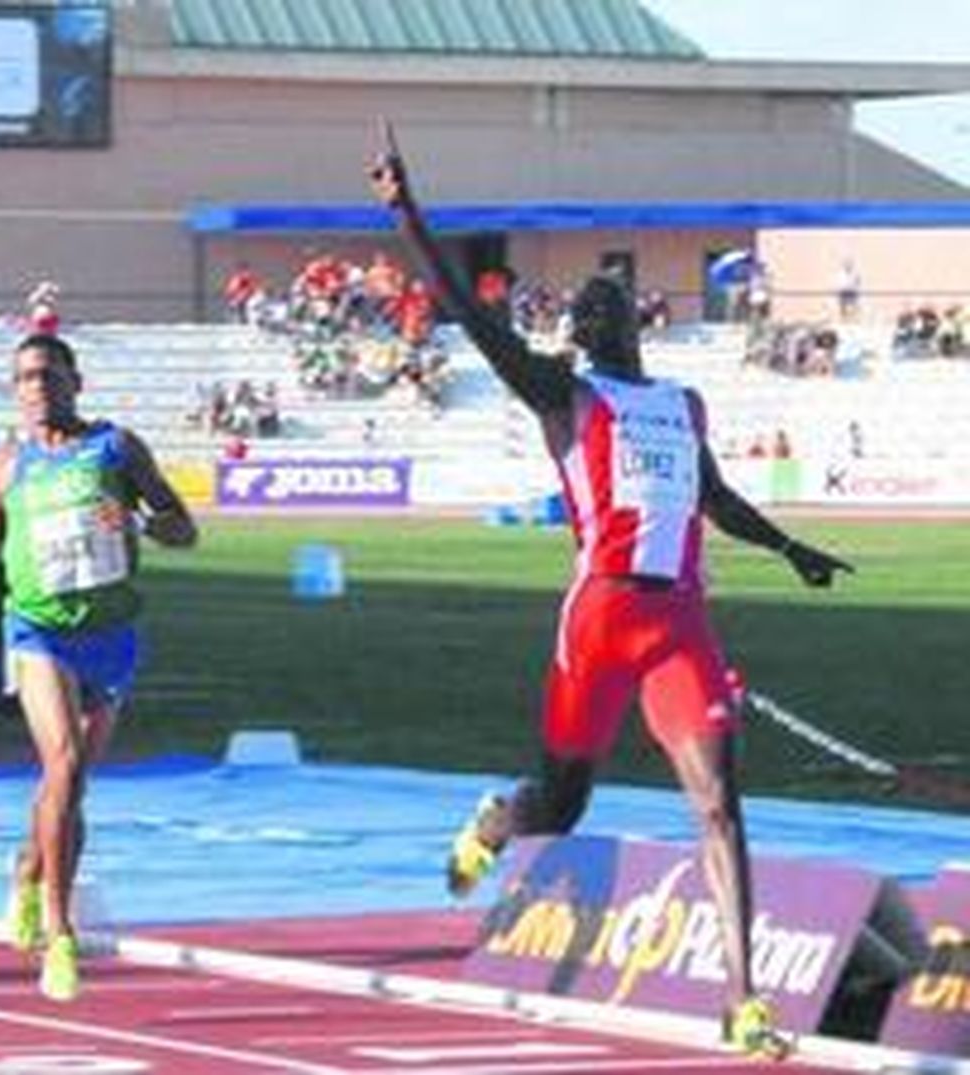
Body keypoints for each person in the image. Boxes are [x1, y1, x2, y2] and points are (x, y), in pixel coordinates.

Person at [369, 129, 852, 1059]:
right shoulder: (562, 391)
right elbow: (471, 316)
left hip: (678, 624)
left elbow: (716, 498)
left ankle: (744, 1001)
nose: (603, 310)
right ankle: (495, 821)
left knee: (719, 804)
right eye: (590, 308)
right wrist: (408, 215)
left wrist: (792, 548)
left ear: (632, 320)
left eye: (612, 301)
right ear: (581, 335)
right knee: (559, 806)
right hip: (598, 620)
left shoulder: (680, 403)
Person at [0, 334, 197, 1001]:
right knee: (60, 763)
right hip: (38, 631)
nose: (36, 387)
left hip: (109, 634)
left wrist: (142, 523)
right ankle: (60, 935)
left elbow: (183, 526)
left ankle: (28, 869)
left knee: (73, 784)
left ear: (75, 382)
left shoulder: (116, 447)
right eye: (24, 378)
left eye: (47, 375)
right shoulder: (6, 462)